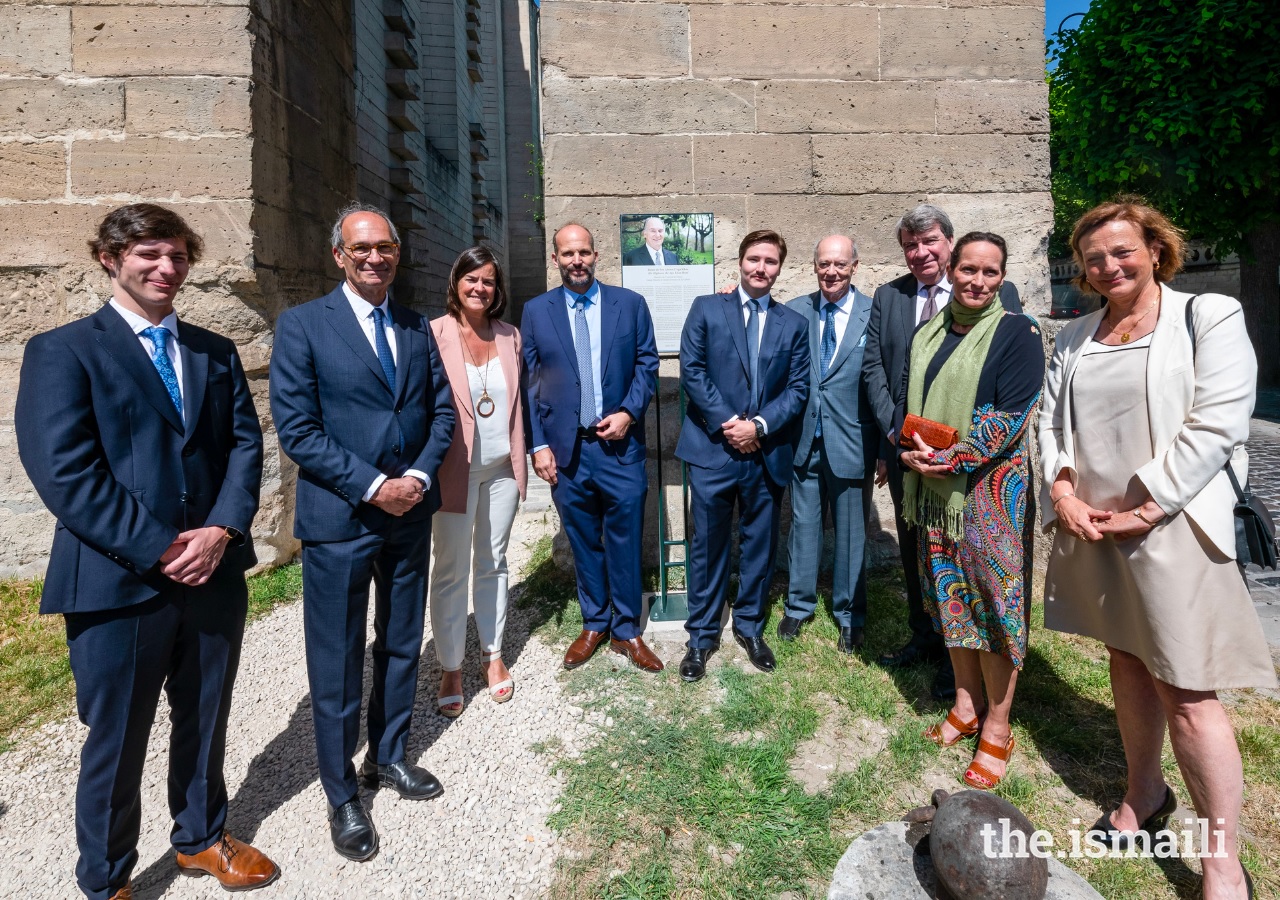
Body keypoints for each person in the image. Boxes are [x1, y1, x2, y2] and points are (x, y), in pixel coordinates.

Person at [15, 203, 276, 899]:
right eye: (149, 255)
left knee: (207, 716)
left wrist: (220, 531)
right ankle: (106, 880)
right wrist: (162, 547)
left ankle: (199, 839)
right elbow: (65, 473)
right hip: (117, 581)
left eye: (179, 256)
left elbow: (244, 448)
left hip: (214, 574)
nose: (166, 269)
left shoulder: (214, 352)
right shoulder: (63, 351)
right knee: (117, 738)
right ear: (109, 257)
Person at [1041, 200, 1273, 900]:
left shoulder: (1206, 316)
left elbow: (1220, 418)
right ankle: (1145, 795)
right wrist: (1062, 493)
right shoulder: (1076, 335)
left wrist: (1151, 503)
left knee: (1188, 693)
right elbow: (1050, 422)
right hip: (1093, 526)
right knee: (1124, 657)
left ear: (1155, 248)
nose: (1109, 266)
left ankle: (1222, 864)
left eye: (1122, 252)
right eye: (1094, 259)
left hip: (1168, 526)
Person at [270, 203, 455, 862]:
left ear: (397, 254)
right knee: (337, 660)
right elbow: (298, 430)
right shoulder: (302, 327)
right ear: (339, 255)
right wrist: (377, 484)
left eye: (386, 247)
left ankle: (391, 755)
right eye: (363, 248)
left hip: (409, 516)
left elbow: (440, 411)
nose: (376, 257)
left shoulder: (414, 325)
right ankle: (342, 790)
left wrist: (420, 477)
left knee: (402, 642)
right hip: (342, 517)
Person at [896, 232, 1042, 792]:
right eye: (969, 269)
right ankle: (964, 704)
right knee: (950, 599)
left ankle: (998, 728)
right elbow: (915, 406)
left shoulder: (1016, 332)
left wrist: (950, 458)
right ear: (951, 269)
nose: (978, 281)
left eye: (991, 272)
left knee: (994, 609)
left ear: (1002, 277)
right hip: (937, 495)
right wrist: (911, 451)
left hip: (988, 497)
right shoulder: (928, 332)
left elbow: (1012, 415)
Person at [864, 203, 1024, 700]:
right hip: (908, 455)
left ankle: (982, 665)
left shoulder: (1002, 300)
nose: (919, 253)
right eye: (910, 246)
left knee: (976, 565)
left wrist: (957, 453)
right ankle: (926, 636)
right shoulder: (890, 297)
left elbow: (1007, 389)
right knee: (919, 552)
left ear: (949, 246)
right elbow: (877, 370)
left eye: (928, 242)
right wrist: (899, 438)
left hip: (977, 470)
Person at [521, 223, 662, 672]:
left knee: (624, 539)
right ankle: (594, 622)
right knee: (583, 541)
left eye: (583, 252)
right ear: (555, 259)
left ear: (596, 255)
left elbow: (647, 363)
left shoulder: (630, 305)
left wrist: (629, 413)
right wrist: (538, 445)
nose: (576, 260)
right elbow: (530, 382)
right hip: (567, 452)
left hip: (619, 448)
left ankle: (627, 631)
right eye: (567, 254)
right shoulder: (536, 311)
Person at [676, 229, 810, 682]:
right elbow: (691, 370)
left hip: (765, 452)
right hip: (713, 449)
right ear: (739, 261)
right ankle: (701, 637)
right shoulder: (707, 309)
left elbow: (798, 389)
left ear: (779, 267)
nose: (761, 268)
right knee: (707, 545)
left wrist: (759, 426)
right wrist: (731, 423)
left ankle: (750, 626)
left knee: (760, 544)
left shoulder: (793, 324)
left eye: (770, 261)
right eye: (754, 259)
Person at [429, 247, 528, 716]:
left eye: (488, 280)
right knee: (450, 568)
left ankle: (492, 654)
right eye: (471, 278)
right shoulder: (434, 334)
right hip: (454, 470)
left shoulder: (510, 336)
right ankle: (450, 663)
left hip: (502, 469)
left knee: (493, 559)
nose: (479, 288)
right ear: (456, 282)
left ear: (497, 289)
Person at [778, 234, 879, 652]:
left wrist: (888, 450)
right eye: (824, 264)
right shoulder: (795, 311)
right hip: (804, 440)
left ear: (855, 266)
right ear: (814, 266)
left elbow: (885, 383)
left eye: (840, 264)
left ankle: (850, 614)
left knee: (852, 531)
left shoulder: (874, 313)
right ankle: (798, 606)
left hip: (853, 441)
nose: (831, 272)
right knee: (802, 527)